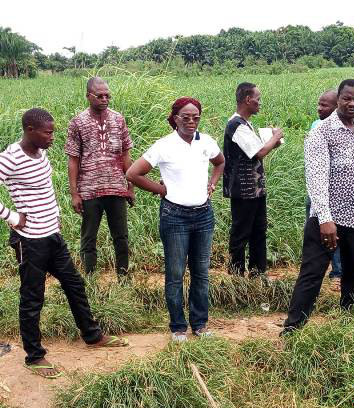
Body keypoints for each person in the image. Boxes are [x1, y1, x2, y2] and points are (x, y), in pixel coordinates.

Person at [0, 109, 128, 379]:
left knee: (75, 285)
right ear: (30, 129)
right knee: (32, 298)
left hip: (52, 237)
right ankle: (34, 357)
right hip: (30, 241)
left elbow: (45, 188)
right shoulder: (11, 158)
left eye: (53, 131)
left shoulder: (41, 152)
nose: (52, 137)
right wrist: (10, 216)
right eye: (47, 132)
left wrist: (55, 216)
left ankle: (92, 336)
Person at [282, 79, 354, 335]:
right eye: (347, 98)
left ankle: (348, 326)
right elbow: (315, 176)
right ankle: (293, 329)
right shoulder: (322, 132)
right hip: (328, 218)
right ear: (338, 99)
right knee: (312, 273)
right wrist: (325, 218)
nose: (352, 103)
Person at [126, 97, 225, 342]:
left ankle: (200, 325)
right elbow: (133, 173)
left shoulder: (206, 141)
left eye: (196, 117)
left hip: (203, 214)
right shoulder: (164, 145)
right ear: (175, 119)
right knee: (175, 273)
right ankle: (178, 327)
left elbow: (220, 162)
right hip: (175, 216)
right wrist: (161, 190)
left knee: (201, 272)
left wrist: (212, 183)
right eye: (186, 117)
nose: (191, 121)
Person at [65, 77, 134, 277]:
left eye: (108, 96)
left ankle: (123, 278)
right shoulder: (77, 122)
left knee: (121, 237)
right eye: (100, 96)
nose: (105, 99)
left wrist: (130, 186)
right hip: (89, 190)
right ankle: (91, 280)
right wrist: (74, 193)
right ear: (88, 96)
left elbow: (126, 155)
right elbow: (73, 160)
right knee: (88, 238)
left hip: (116, 188)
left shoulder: (118, 119)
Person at [223, 82, 284, 276]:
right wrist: (276, 137)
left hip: (255, 190)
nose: (260, 103)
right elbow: (259, 152)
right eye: (258, 99)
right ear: (248, 100)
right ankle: (237, 275)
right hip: (243, 190)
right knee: (241, 233)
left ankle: (257, 273)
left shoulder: (244, 124)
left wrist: (272, 143)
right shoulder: (236, 125)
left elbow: (255, 151)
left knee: (259, 231)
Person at [306, 89, 342, 289]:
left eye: (324, 105)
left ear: (337, 107)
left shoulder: (345, 130)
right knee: (313, 235)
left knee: (334, 236)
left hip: (333, 195)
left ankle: (337, 273)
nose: (319, 109)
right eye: (319, 104)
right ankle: (315, 274)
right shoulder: (316, 126)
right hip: (314, 192)